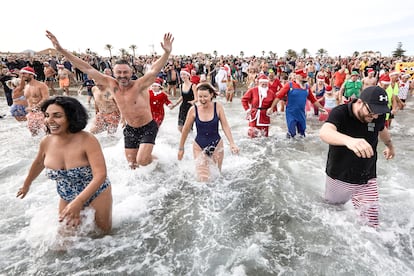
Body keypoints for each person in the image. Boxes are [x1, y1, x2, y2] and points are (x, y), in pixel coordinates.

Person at [46, 30, 174, 169]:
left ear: (131, 73)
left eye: (125, 72)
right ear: (114, 73)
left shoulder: (139, 85)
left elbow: (154, 70)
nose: (122, 75)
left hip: (147, 127)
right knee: (132, 164)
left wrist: (166, 53)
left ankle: (160, 161)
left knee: (142, 160)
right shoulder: (111, 84)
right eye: (119, 72)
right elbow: (86, 68)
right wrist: (61, 50)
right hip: (130, 128)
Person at [16, 96, 112, 233]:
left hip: (96, 192)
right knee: (62, 241)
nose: (50, 120)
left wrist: (79, 202)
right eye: (47, 115)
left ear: (71, 117)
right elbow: (38, 163)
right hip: (66, 195)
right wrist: (26, 185)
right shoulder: (46, 142)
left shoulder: (88, 140)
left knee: (103, 234)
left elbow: (100, 174)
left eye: (57, 116)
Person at [319, 86, 395, 227]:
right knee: (333, 213)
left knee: (371, 223)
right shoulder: (340, 112)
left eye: (379, 113)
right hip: (339, 175)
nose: (375, 117)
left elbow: (382, 129)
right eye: (371, 112)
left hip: (367, 176)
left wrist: (390, 146)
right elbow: (324, 132)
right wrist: (349, 141)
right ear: (360, 102)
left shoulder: (377, 115)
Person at [178, 82, 239, 182]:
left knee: (216, 177)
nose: (202, 99)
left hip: (217, 145)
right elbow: (185, 130)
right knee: (203, 179)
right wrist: (181, 148)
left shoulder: (217, 107)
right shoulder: (193, 110)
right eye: (200, 96)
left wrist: (232, 143)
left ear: (211, 95)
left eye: (205, 96)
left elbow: (225, 126)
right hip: (199, 146)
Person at [267, 69, 326, 138]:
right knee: (292, 133)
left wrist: (322, 109)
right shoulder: (289, 85)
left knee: (302, 133)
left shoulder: (307, 87)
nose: (304, 78)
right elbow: (279, 96)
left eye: (305, 76)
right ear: (297, 76)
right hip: (291, 113)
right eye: (302, 77)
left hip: (301, 113)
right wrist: (271, 108)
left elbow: (313, 100)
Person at [21, 66, 50, 136]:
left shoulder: (41, 85)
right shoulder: (26, 86)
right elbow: (27, 100)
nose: (22, 75)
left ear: (31, 75)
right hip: (31, 114)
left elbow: (46, 98)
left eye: (24, 74)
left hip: (42, 112)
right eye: (22, 74)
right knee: (33, 135)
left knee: (47, 133)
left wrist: (35, 107)